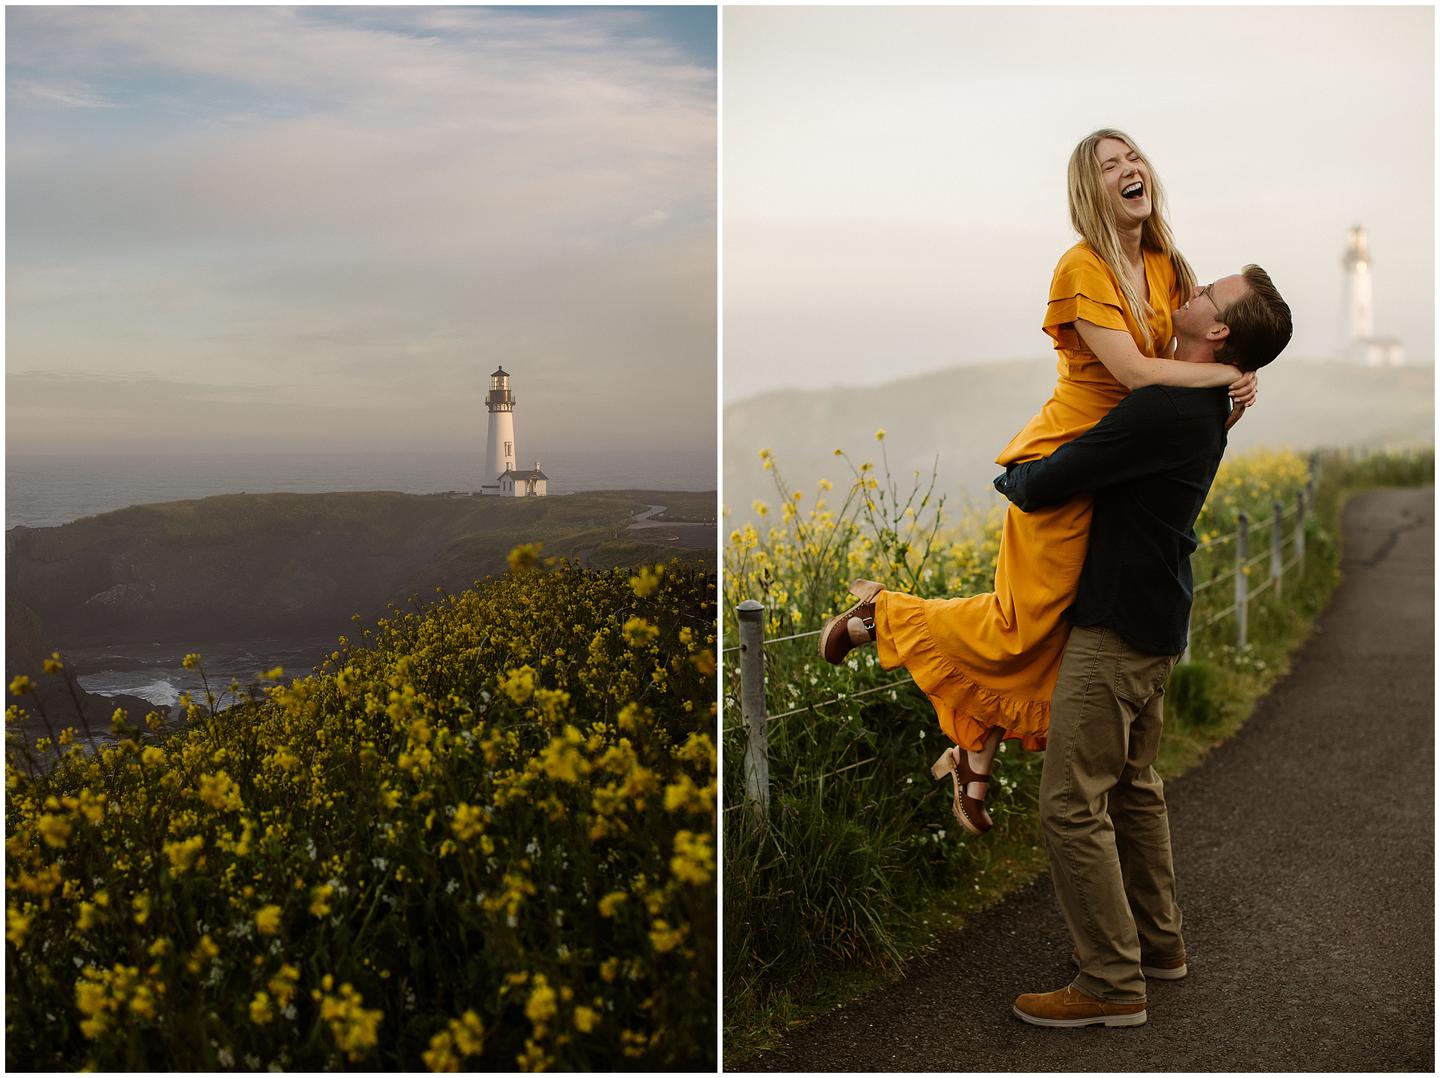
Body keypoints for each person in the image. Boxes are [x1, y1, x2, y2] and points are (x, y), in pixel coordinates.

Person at [819, 128, 1258, 836]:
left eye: (1132, 157)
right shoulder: (1081, 268)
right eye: (1108, 165)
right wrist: (1222, 376)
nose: (1128, 169)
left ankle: (972, 753)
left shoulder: (1168, 263)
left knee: (1061, 632)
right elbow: (1141, 375)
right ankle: (883, 617)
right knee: (1023, 622)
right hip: (1066, 461)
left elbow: (1206, 341)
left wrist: (1235, 379)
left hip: (1122, 465)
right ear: (1092, 191)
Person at [997, 263, 1293, 1027]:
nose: (1187, 294)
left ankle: (1109, 982)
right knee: (1132, 788)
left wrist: (1012, 478)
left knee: (1069, 803)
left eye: (1204, 295)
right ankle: (1159, 947)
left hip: (1118, 627)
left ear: (1218, 330)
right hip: (1159, 618)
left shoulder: (1166, 406)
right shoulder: (1204, 407)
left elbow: (1050, 480)